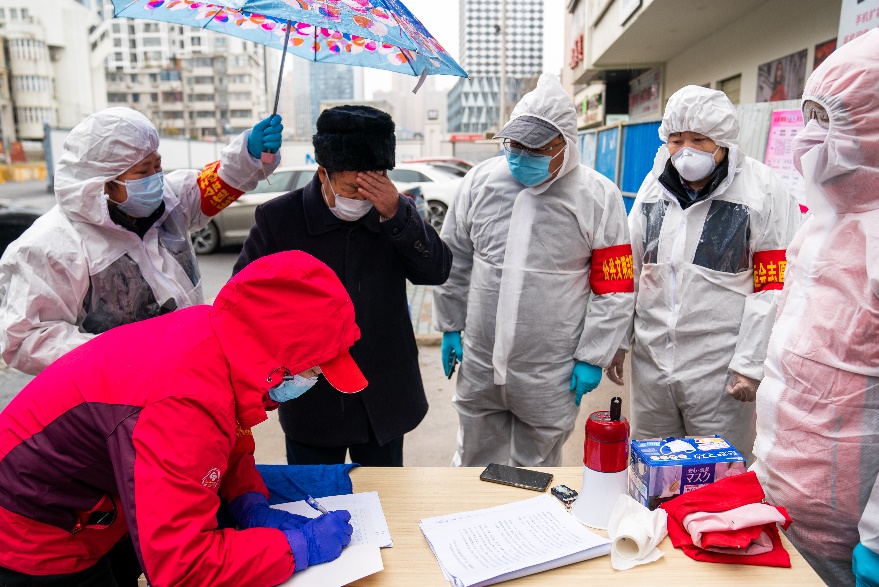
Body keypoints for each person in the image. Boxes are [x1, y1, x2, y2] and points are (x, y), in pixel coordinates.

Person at [0, 251, 360, 587]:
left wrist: (248, 500)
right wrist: (297, 549)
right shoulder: (185, 403)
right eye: (313, 369)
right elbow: (181, 566)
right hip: (35, 528)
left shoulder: (220, 337)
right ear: (276, 357)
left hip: (94, 501)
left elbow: (225, 440)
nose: (312, 382)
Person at [433, 74, 635, 468]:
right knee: (473, 463)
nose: (522, 155)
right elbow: (453, 258)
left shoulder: (596, 195)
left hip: (550, 369)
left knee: (537, 470)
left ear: (566, 144)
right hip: (480, 357)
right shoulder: (480, 182)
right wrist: (450, 326)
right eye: (515, 144)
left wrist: (593, 355)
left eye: (536, 147)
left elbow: (614, 286)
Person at [234, 105, 452, 467]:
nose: (364, 197)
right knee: (316, 495)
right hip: (312, 397)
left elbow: (437, 270)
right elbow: (243, 298)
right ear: (324, 173)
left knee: (384, 494)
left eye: (374, 184)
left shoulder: (394, 209)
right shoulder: (279, 218)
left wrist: (397, 215)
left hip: (383, 395)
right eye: (354, 188)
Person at [0, 107, 283, 375]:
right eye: (142, 171)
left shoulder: (168, 201)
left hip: (192, 368)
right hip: (116, 392)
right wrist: (125, 354)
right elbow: (26, 339)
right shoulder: (52, 247)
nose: (155, 178)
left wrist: (250, 155)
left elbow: (217, 183)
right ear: (103, 183)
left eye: (157, 165)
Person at [608, 86, 800, 461]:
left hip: (720, 372)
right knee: (654, 467)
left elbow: (774, 283)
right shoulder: (653, 188)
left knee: (717, 473)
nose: (686, 151)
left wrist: (751, 364)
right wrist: (616, 341)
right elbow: (630, 270)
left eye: (699, 139)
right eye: (677, 140)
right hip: (652, 365)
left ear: (723, 139)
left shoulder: (760, 191)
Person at [752, 29, 879, 587]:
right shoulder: (822, 222)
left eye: (831, 119)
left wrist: (877, 539)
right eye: (810, 116)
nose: (808, 136)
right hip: (778, 495)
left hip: (846, 528)